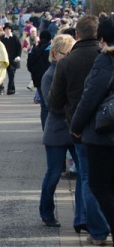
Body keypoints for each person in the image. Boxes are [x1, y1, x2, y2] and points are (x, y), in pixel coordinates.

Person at [48, 15, 109, 243]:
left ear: (76, 35)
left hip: (79, 129)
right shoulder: (106, 58)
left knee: (87, 178)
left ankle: (98, 231)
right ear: (99, 35)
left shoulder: (66, 63)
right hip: (109, 127)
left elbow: (54, 102)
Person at [71, 15, 114, 245]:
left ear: (103, 37)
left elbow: (90, 97)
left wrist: (76, 127)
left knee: (98, 184)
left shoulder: (105, 60)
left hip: (104, 134)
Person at [39, 34, 79, 228]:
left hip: (75, 129)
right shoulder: (48, 76)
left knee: (84, 174)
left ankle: (82, 216)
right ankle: (46, 212)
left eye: (73, 53)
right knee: (54, 174)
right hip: (56, 131)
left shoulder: (72, 70)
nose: (71, 57)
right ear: (55, 54)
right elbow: (52, 106)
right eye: (67, 53)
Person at [27, 30, 52, 130]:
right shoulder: (51, 49)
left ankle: (44, 129)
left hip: (38, 80)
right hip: (50, 79)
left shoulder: (33, 49)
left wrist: (35, 73)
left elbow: (29, 66)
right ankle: (50, 129)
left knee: (43, 107)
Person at [0, 23, 22, 95]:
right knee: (7, 75)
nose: (7, 30)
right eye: (6, 29)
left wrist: (18, 56)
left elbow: (19, 47)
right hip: (5, 60)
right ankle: (11, 89)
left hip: (13, 60)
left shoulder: (15, 37)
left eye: (9, 29)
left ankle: (10, 89)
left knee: (11, 74)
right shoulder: (2, 39)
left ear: (11, 30)